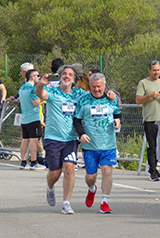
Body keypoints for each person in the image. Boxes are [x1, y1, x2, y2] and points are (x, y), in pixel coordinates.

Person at [36, 64, 116, 214]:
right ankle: (50, 187)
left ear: (74, 80)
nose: (67, 76)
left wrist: (110, 94)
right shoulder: (53, 91)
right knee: (55, 173)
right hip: (53, 137)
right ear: (60, 76)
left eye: (70, 75)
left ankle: (66, 203)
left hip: (71, 139)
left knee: (69, 168)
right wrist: (41, 84)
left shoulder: (79, 94)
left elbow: (96, 93)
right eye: (64, 74)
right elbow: (41, 95)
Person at [74, 73, 121, 213]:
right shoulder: (83, 101)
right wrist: (81, 134)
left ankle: (105, 202)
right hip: (90, 145)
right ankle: (91, 189)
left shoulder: (111, 99)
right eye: (93, 86)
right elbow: (76, 120)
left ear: (104, 86)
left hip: (108, 144)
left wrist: (118, 121)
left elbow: (117, 114)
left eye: (99, 86)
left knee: (107, 171)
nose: (96, 89)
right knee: (91, 177)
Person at [136, 60, 160, 181]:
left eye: (158, 70)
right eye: (154, 70)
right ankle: (152, 170)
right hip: (150, 119)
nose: (156, 72)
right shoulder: (143, 83)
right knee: (152, 145)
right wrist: (149, 95)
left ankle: (155, 167)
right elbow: (138, 100)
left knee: (159, 146)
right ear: (149, 70)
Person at [18, 69, 45, 170]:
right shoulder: (32, 89)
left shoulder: (21, 88)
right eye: (37, 76)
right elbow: (35, 103)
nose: (39, 77)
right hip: (33, 117)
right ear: (32, 77)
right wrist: (40, 97)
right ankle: (34, 162)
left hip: (24, 117)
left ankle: (23, 161)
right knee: (34, 140)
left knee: (25, 139)